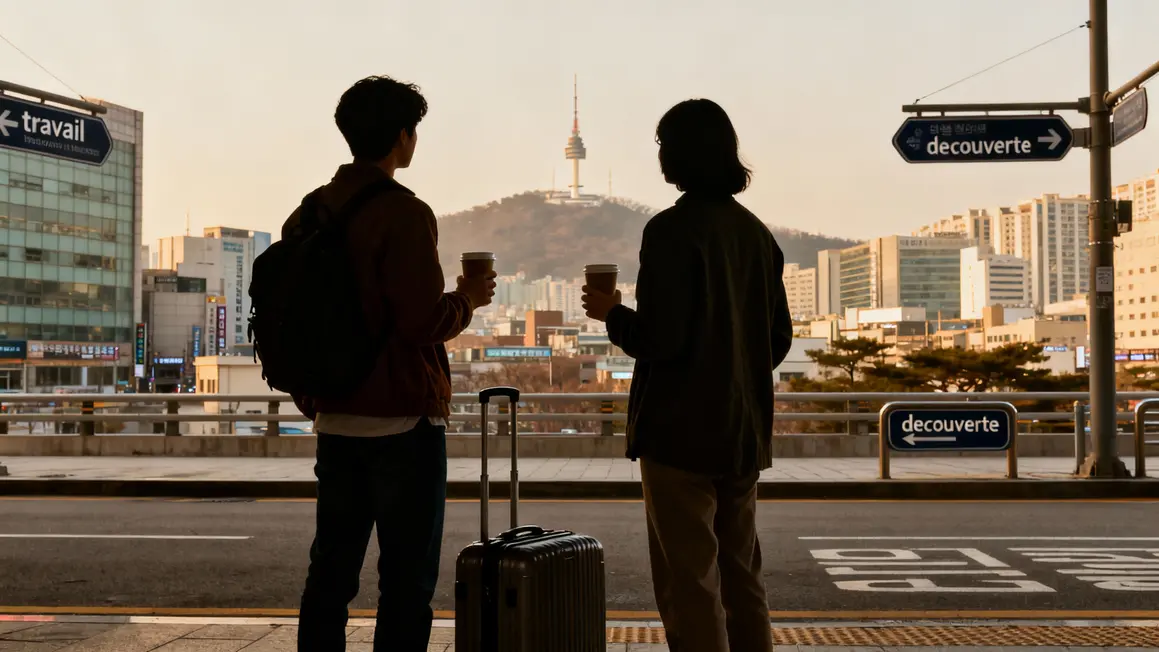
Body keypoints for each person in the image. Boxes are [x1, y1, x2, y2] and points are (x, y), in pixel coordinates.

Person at [288, 75, 495, 652]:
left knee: (330, 573)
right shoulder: (404, 213)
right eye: (414, 131)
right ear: (403, 136)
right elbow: (421, 323)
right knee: (406, 580)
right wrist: (469, 300)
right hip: (403, 420)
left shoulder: (308, 214)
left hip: (334, 416)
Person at [582, 98, 793, 652]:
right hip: (743, 430)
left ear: (677, 153)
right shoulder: (755, 234)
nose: (658, 156)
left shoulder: (671, 231)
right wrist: (731, 369)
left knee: (690, 581)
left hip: (679, 433)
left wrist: (612, 313)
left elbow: (660, 340)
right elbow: (778, 340)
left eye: (661, 145)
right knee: (742, 574)